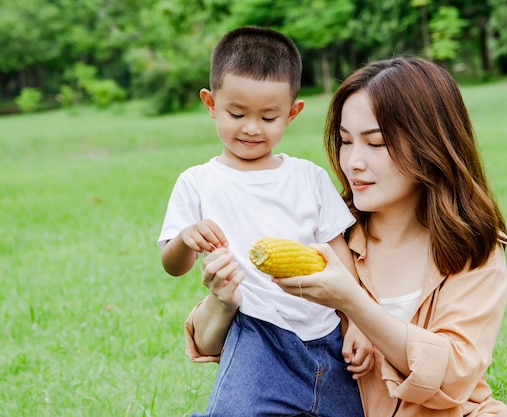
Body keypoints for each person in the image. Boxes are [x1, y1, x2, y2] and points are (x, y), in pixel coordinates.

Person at [273, 56, 507, 417]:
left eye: (375, 144)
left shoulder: (472, 246)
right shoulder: (330, 237)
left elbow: (454, 374)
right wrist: (222, 300)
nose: (353, 162)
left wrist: (354, 304)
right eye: (346, 141)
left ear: (430, 145)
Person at [157, 26, 370, 417]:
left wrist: (356, 322)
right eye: (236, 114)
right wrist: (186, 239)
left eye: (269, 117)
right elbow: (173, 266)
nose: (252, 128)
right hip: (257, 332)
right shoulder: (199, 182)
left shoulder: (308, 177)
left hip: (326, 333)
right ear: (210, 104)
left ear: (292, 112)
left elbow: (339, 257)